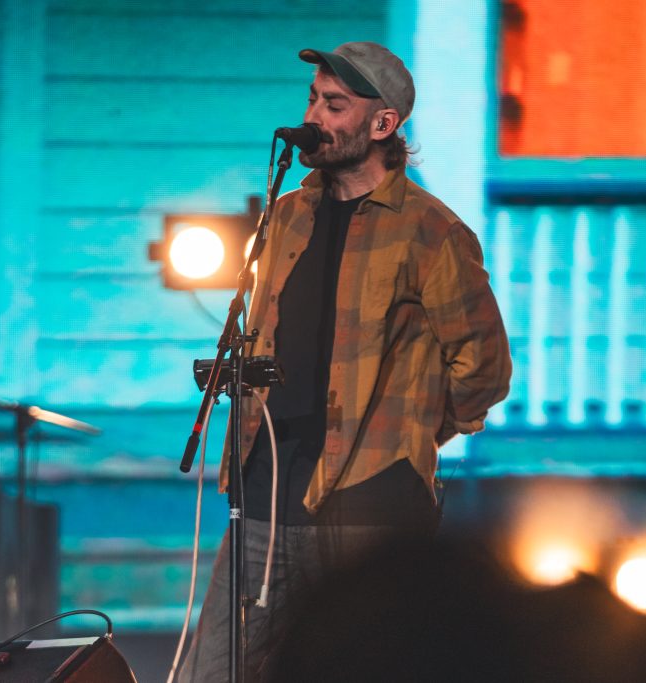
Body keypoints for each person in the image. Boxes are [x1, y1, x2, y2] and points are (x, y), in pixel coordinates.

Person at [177, 41, 511, 682]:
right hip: (267, 492)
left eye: (335, 104)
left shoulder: (431, 233)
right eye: (313, 99)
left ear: (382, 125)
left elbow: (484, 367)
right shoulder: (288, 215)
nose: (316, 116)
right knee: (213, 673)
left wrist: (416, 432)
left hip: (370, 504)